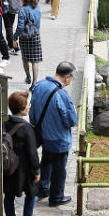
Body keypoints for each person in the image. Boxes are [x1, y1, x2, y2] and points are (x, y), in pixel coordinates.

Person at [29, 62, 79, 206]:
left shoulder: (39, 86)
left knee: (46, 162)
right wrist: (74, 112)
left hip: (44, 134)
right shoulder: (62, 95)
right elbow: (71, 121)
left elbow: (32, 113)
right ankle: (56, 197)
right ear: (67, 77)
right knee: (59, 170)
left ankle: (42, 189)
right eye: (72, 78)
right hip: (59, 139)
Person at [2, 91, 41, 216]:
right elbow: (32, 153)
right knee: (31, 194)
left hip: (7, 168)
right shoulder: (26, 128)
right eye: (27, 104)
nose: (29, 106)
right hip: (24, 169)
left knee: (9, 196)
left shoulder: (4, 124)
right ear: (22, 108)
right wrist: (36, 171)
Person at [13, 0, 43, 85]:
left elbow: (20, 25)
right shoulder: (37, 6)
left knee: (25, 58)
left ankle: (28, 77)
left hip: (25, 38)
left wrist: (14, 37)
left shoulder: (23, 9)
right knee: (35, 60)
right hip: (35, 36)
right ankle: (34, 83)